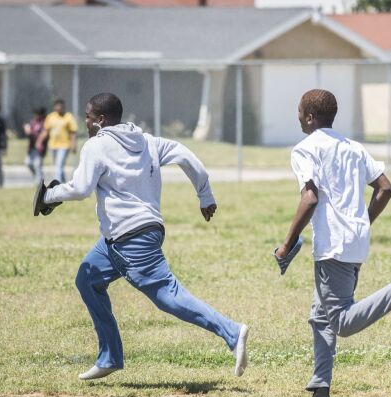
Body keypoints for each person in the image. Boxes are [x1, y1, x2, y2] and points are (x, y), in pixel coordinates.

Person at [35, 93, 249, 381]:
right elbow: (186, 155)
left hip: (128, 238)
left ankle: (232, 332)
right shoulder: (147, 141)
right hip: (134, 234)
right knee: (87, 279)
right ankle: (109, 356)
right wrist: (205, 194)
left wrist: (49, 195)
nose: (85, 122)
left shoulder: (96, 146)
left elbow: (81, 189)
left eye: (87, 117)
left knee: (168, 297)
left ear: (100, 120)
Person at [275, 89, 391, 397]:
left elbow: (309, 198)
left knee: (341, 322)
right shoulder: (353, 147)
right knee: (320, 318)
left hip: (332, 246)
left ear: (309, 116)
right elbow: (385, 187)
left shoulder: (305, 149)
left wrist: (286, 244)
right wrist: (363, 222)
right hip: (355, 241)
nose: (297, 116)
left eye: (299, 111)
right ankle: (320, 392)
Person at [39, 99, 78, 182]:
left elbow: (73, 132)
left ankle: (58, 185)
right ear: (54, 107)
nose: (58, 108)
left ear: (63, 107)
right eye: (57, 106)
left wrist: (73, 144)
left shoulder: (68, 117)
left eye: (60, 106)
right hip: (53, 145)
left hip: (64, 145)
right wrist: (39, 141)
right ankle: (64, 184)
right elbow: (46, 130)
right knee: (59, 166)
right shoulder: (51, 117)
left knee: (58, 166)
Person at [24, 107, 47, 182]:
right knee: (28, 163)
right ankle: (37, 176)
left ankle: (39, 183)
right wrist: (26, 130)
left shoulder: (44, 122)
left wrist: (32, 133)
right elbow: (28, 133)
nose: (36, 115)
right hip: (31, 147)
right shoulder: (32, 122)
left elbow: (44, 134)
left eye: (37, 114)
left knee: (37, 165)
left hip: (39, 148)